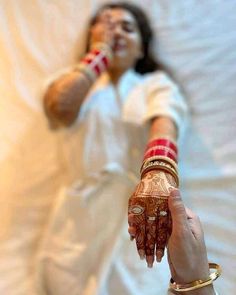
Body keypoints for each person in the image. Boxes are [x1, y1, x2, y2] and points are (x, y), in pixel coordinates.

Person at [37, 2, 187, 295]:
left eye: (127, 28)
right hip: (76, 216)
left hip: (139, 210)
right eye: (107, 26)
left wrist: (157, 173)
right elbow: (60, 108)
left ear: (141, 49)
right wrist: (99, 55)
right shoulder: (71, 84)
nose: (116, 32)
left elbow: (165, 122)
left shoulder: (155, 85)